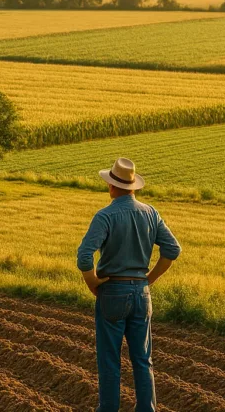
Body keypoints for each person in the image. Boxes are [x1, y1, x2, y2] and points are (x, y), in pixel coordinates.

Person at [77, 158, 181, 412]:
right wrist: (150, 278)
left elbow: (84, 256)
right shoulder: (150, 212)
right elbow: (173, 249)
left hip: (112, 291)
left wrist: (92, 282)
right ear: (133, 186)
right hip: (141, 293)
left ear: (112, 187)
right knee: (143, 360)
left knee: (110, 360)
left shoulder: (105, 216)